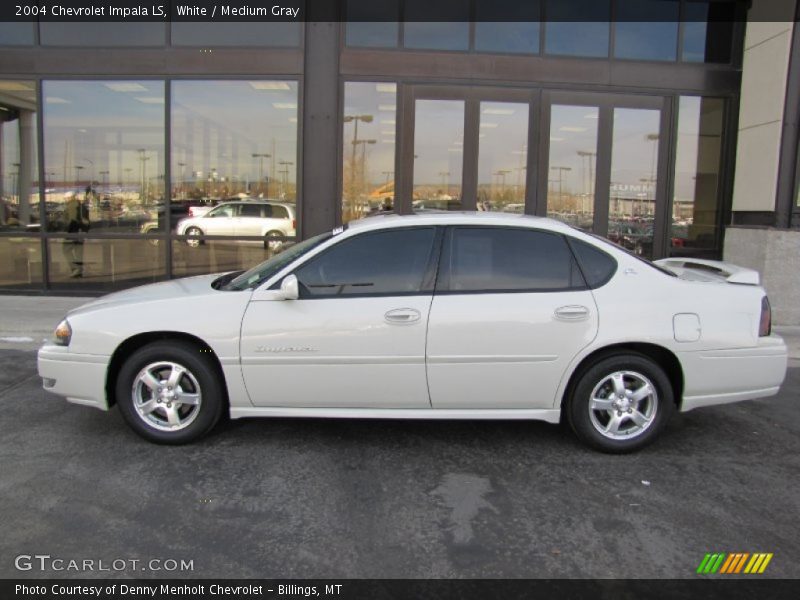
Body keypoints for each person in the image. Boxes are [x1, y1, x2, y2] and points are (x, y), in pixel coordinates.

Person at [62, 191, 90, 278]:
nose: (65, 200)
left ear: (70, 198)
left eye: (65, 198)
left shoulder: (71, 206)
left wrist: (66, 231)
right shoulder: (81, 206)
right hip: (81, 232)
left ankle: (76, 268)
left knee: (66, 249)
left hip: (73, 232)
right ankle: (78, 271)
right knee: (78, 252)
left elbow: (72, 221)